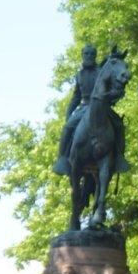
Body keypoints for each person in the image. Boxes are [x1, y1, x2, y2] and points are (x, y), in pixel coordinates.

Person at [52, 44, 100, 176]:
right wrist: (68, 115)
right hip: (84, 107)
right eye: (86, 54)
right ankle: (62, 159)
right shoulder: (79, 75)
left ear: (95, 56)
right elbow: (76, 97)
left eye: (91, 54)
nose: (89, 56)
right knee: (67, 128)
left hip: (99, 106)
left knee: (118, 125)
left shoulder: (101, 72)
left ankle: (118, 157)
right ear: (82, 55)